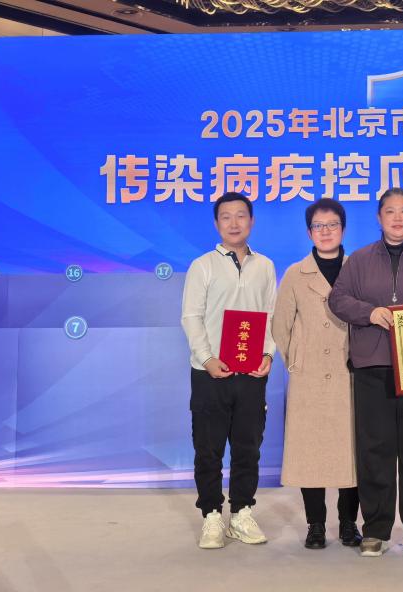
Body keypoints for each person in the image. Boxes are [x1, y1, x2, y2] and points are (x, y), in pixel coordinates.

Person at [328, 188, 403, 558]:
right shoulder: (359, 260)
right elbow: (337, 299)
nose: (398, 218)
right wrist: (369, 313)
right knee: (374, 449)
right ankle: (376, 529)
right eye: (390, 212)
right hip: (373, 366)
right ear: (379, 217)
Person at [180, 191, 276, 549]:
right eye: (226, 216)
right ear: (217, 223)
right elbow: (191, 316)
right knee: (208, 448)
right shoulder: (202, 265)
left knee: (248, 446)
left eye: (241, 216)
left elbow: (271, 315)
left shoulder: (265, 266)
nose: (234, 223)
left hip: (251, 373)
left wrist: (268, 354)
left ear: (251, 221)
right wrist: (207, 358)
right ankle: (211, 515)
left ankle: (241, 513)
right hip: (210, 373)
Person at [272, 198, 361, 550]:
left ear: (343, 229)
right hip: (308, 376)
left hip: (349, 374)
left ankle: (349, 523)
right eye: (318, 226)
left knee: (350, 453)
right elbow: (281, 326)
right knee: (311, 452)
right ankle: (316, 525)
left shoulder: (359, 269)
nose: (325, 232)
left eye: (332, 225)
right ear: (309, 232)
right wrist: (297, 360)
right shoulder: (296, 274)